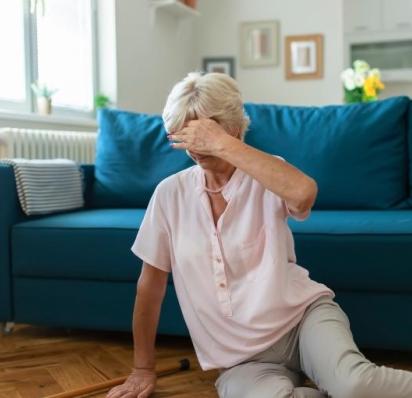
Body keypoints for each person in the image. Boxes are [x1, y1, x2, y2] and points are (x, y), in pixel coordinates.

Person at [107, 72, 412, 398]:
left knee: (354, 386)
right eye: (184, 133)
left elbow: (303, 193)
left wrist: (222, 144)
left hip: (302, 322)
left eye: (202, 132)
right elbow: (149, 287)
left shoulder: (266, 173)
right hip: (242, 361)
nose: (194, 145)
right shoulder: (169, 195)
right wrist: (142, 368)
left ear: (234, 128)